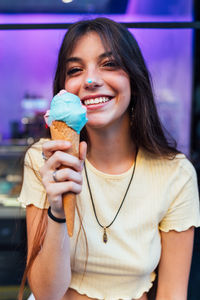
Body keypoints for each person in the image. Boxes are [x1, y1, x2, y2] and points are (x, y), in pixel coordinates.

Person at [18, 17, 200, 300]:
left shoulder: (175, 173)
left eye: (109, 64)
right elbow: (45, 293)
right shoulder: (45, 159)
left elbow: (172, 292)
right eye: (76, 69)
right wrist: (57, 209)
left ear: (134, 78)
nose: (90, 80)